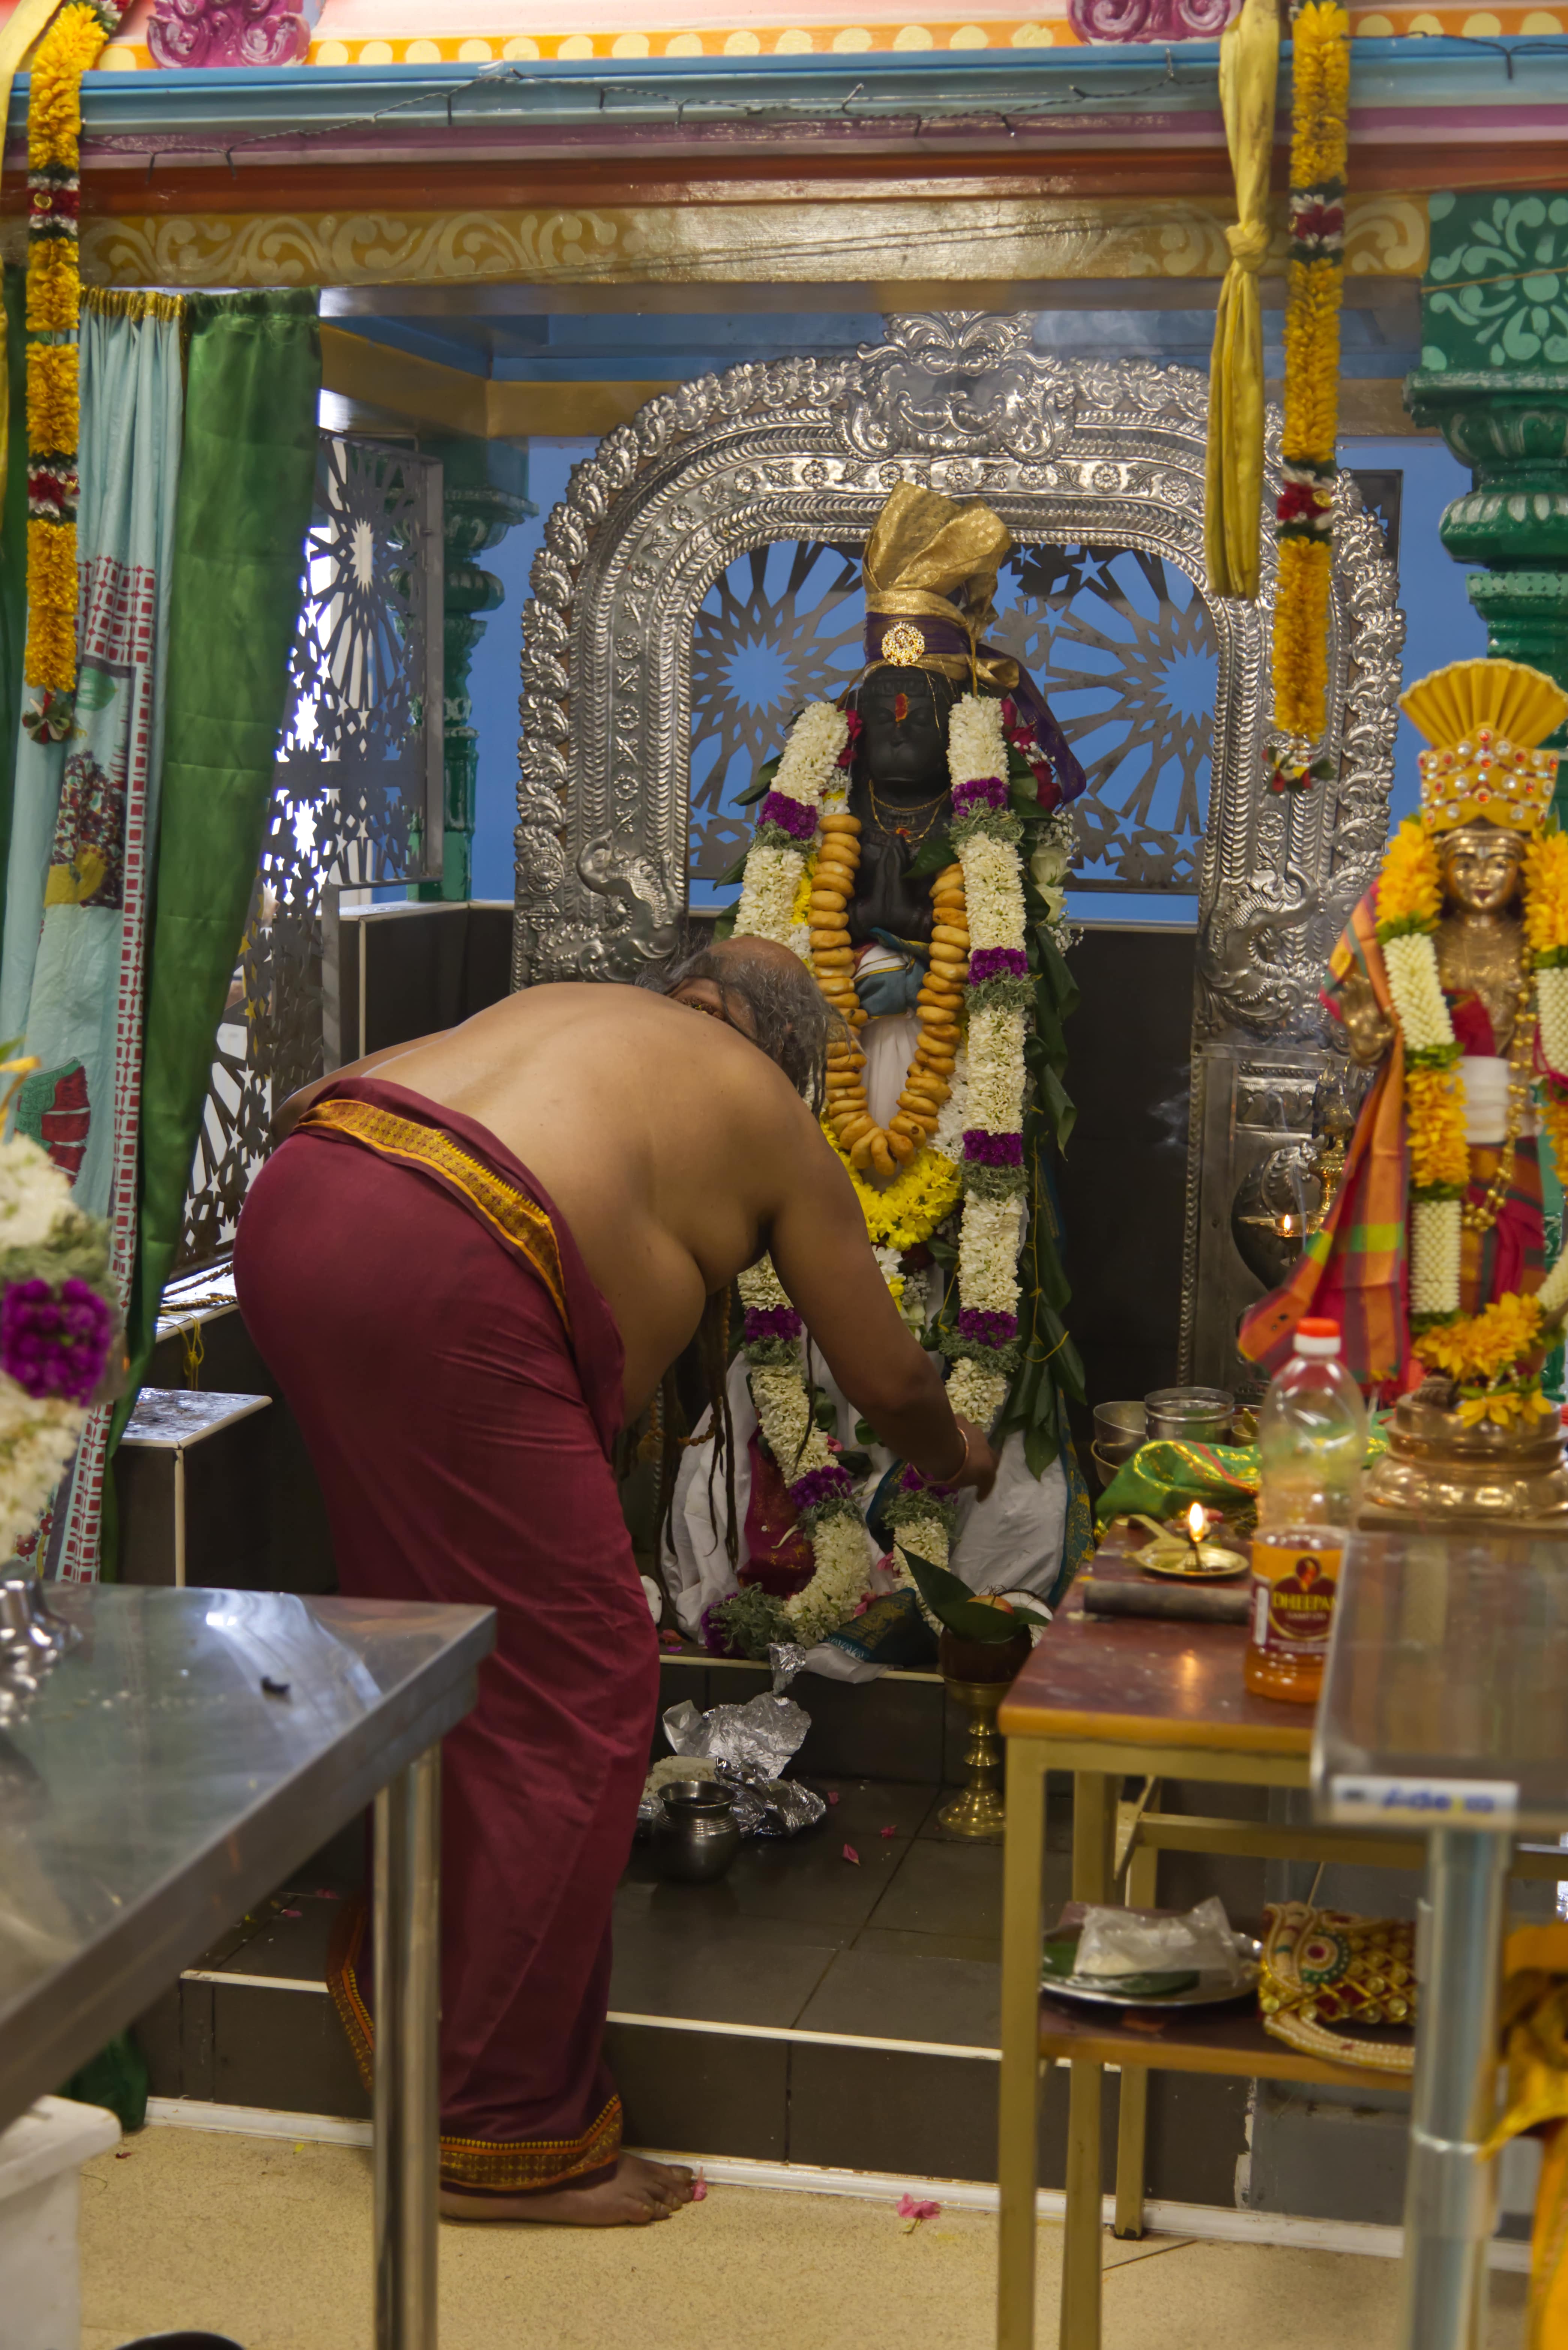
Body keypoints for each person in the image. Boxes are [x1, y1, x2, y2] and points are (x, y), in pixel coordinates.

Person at [233, 934, 996, 2227]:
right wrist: (957, 1458)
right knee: (584, 1682)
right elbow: (890, 1379)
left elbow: (320, 1099)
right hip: (454, 1271)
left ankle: (430, 1991)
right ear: (792, 1059)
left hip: (305, 1210)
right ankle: (502, 2133)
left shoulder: (555, 1008)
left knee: (442, 1648)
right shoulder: (763, 1106)